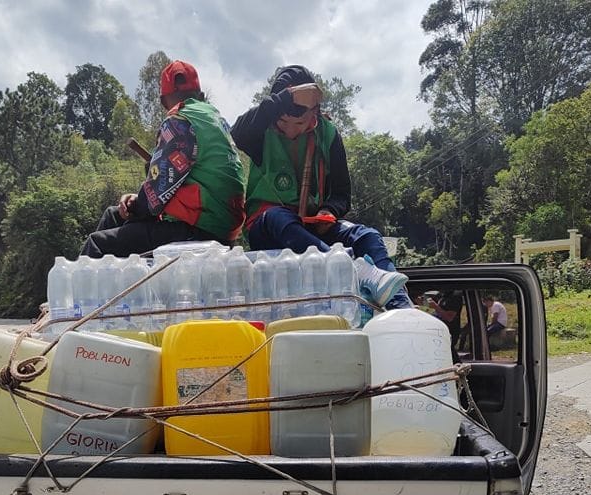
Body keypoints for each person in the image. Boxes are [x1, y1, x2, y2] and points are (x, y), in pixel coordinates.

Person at [231, 65, 409, 309]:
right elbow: (237, 132)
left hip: (312, 229)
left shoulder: (329, 134)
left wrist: (329, 211)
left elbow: (341, 194)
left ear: (314, 113)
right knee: (278, 218)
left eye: (300, 122)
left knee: (368, 237)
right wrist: (286, 98)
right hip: (269, 228)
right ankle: (356, 270)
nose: (292, 130)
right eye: (284, 122)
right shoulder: (260, 131)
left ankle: (400, 307)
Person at [80, 61, 245, 258]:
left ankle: (80, 288)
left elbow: (153, 199)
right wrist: (137, 202)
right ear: (201, 96)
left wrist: (136, 206)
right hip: (220, 226)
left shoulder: (179, 122)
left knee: (97, 244)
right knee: (113, 215)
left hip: (196, 230)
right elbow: (163, 186)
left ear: (162, 101)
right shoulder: (216, 120)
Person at [427, 291, 463, 360]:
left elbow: (449, 317)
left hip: (449, 333)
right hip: (439, 332)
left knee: (449, 354)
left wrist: (436, 306)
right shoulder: (442, 295)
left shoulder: (455, 297)